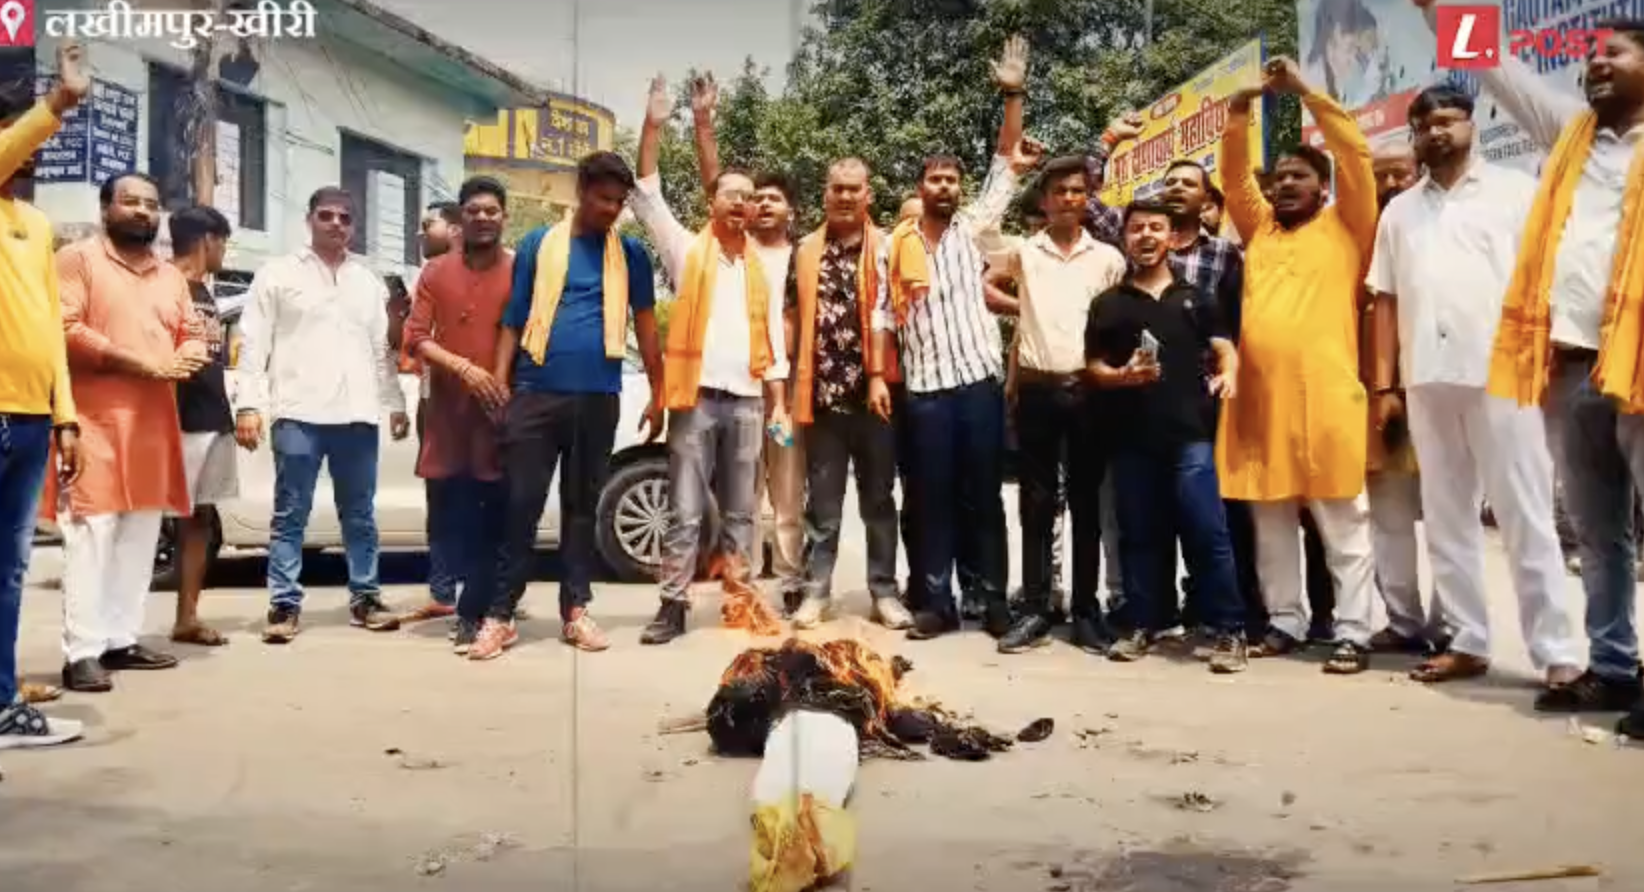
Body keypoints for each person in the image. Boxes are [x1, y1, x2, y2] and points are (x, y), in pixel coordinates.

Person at [1414, 4, 1644, 725]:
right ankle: (1612, 667)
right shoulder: (1570, 134)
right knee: (1597, 529)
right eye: (1594, 55)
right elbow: (1493, 65)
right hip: (1569, 365)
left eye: (1618, 53)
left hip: (1639, 364)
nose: (1598, 62)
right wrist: (1436, 8)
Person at [1366, 84, 1581, 689]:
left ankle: (1558, 653)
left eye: (1447, 121)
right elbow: (1385, 300)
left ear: (1471, 123)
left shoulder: (1516, 193)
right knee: (1446, 516)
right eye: (1424, 125)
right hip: (1427, 379)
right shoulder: (1400, 211)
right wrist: (1385, 386)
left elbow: (1548, 280)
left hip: (1505, 374)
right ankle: (1467, 640)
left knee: (1525, 513)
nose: (1437, 133)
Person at [1216, 57, 1381, 675]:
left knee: (1343, 523)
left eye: (1298, 177)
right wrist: (1238, 112)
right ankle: (1285, 621)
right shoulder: (1260, 231)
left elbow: (1356, 157)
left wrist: (1306, 93)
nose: (1284, 185)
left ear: (1322, 187)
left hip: (1328, 400)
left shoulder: (1347, 226)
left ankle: (1354, 632)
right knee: (1272, 523)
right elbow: (1234, 183)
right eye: (1279, 177)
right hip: (1261, 402)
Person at [872, 35, 1036, 641]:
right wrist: (878, 378)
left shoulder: (973, 232)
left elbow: (1003, 160)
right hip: (925, 392)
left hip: (976, 386)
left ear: (959, 190)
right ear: (921, 188)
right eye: (934, 179)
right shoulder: (894, 247)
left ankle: (991, 600)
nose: (943, 186)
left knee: (984, 499)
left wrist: (1012, 94)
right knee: (930, 500)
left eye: (950, 179)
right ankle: (935, 604)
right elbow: (884, 315)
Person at [631, 76, 791, 645]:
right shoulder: (684, 249)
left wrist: (777, 405)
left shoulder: (762, 265)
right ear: (713, 201)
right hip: (695, 402)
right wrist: (658, 124)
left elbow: (772, 339)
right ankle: (672, 605)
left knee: (744, 515)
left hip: (748, 403)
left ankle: (739, 600)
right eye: (731, 193)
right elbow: (646, 189)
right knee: (686, 509)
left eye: (749, 196)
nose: (742, 202)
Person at [495, 154, 662, 653]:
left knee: (582, 509)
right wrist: (501, 383)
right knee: (520, 504)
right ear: (581, 192)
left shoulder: (631, 255)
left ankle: (576, 610)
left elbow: (648, 329)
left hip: (598, 397)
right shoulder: (537, 245)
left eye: (618, 201)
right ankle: (500, 614)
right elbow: (514, 317)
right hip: (535, 393)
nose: (610, 208)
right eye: (602, 198)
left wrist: (660, 393)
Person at [236, 187, 410, 644]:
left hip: (357, 415)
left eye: (345, 218)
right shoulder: (277, 274)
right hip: (297, 413)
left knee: (359, 514)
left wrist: (393, 402)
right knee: (290, 512)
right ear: (309, 219)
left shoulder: (366, 282)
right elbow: (255, 345)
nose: (336, 224)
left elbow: (380, 350)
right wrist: (249, 404)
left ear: (353, 226)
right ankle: (284, 604)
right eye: (327, 215)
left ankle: (365, 597)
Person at [50, 173, 202, 692]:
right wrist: (135, 361)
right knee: (92, 534)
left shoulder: (170, 275)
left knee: (140, 532)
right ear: (105, 208)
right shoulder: (78, 259)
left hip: (154, 425)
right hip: (93, 420)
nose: (141, 211)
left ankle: (119, 639)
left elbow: (192, 332)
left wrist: (190, 353)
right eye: (130, 202)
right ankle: (82, 652)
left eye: (151, 204)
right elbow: (64, 328)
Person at [1088, 199, 1249, 673]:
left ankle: (1229, 630)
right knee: (1139, 535)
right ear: (1125, 238)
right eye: (1137, 228)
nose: (1146, 236)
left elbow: (1225, 350)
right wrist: (1121, 377)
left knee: (1207, 530)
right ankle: (1145, 623)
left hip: (1190, 437)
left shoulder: (1196, 297)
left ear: (1171, 237)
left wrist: (1230, 375)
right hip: (1131, 439)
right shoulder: (1108, 304)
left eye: (1155, 228)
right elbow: (1093, 366)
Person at [984, 155, 1125, 654]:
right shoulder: (1025, 252)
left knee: (1086, 503)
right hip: (1038, 390)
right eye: (1060, 191)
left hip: (1089, 390)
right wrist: (1011, 173)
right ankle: (1038, 608)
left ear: (1088, 198)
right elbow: (981, 236)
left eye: (1077, 191)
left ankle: (1086, 611)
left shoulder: (1107, 258)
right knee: (1036, 504)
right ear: (1043, 201)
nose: (1069, 199)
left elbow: (1117, 326)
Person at [780, 156, 914, 631]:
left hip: (876, 398)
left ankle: (884, 591)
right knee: (824, 506)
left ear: (868, 195)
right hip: (823, 399)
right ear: (825, 194)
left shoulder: (887, 247)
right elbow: (792, 315)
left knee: (879, 501)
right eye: (837, 188)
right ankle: (816, 593)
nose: (844, 196)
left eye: (854, 189)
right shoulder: (806, 249)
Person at [689, 76, 807, 615]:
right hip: (734, 390)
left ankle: (788, 578)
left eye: (772, 199)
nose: (760, 205)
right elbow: (713, 184)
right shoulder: (732, 250)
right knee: (742, 495)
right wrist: (704, 123)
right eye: (754, 198)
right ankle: (744, 581)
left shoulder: (802, 256)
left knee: (786, 489)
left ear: (790, 211)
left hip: (781, 390)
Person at [0, 42, 89, 745]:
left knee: (9, 571)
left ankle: (3, 704)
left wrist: (65, 416)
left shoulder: (35, 227)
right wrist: (57, 103)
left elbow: (48, 328)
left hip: (31, 419)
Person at [403, 177, 517, 657]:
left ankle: (488, 610)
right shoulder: (434, 272)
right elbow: (416, 337)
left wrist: (499, 378)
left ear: (504, 217)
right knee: (457, 514)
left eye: (492, 210)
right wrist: (465, 368)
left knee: (499, 515)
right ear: (461, 219)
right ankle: (469, 608)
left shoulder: (519, 269)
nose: (484, 218)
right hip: (449, 413)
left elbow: (524, 328)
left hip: (502, 411)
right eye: (474, 211)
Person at [1357, 141, 1447, 655]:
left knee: (1446, 517)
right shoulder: (1357, 239)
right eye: (1381, 177)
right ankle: (1403, 622)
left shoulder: (1438, 233)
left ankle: (1450, 624)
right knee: (1388, 518)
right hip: (1379, 400)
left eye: (1399, 175)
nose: (1390, 185)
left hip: (1441, 392)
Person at [167, 206, 238, 648]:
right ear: (208, 240)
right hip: (178, 421)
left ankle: (187, 617)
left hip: (212, 418)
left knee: (200, 519)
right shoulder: (164, 284)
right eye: (223, 242)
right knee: (152, 521)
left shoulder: (204, 291)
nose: (223, 252)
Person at [402, 200, 464, 623]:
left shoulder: (497, 267)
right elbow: (413, 338)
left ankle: (496, 593)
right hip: (434, 400)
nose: (420, 233)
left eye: (429, 224)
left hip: (485, 398)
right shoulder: (427, 276)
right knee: (440, 498)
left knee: (489, 500)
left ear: (456, 228)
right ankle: (443, 592)